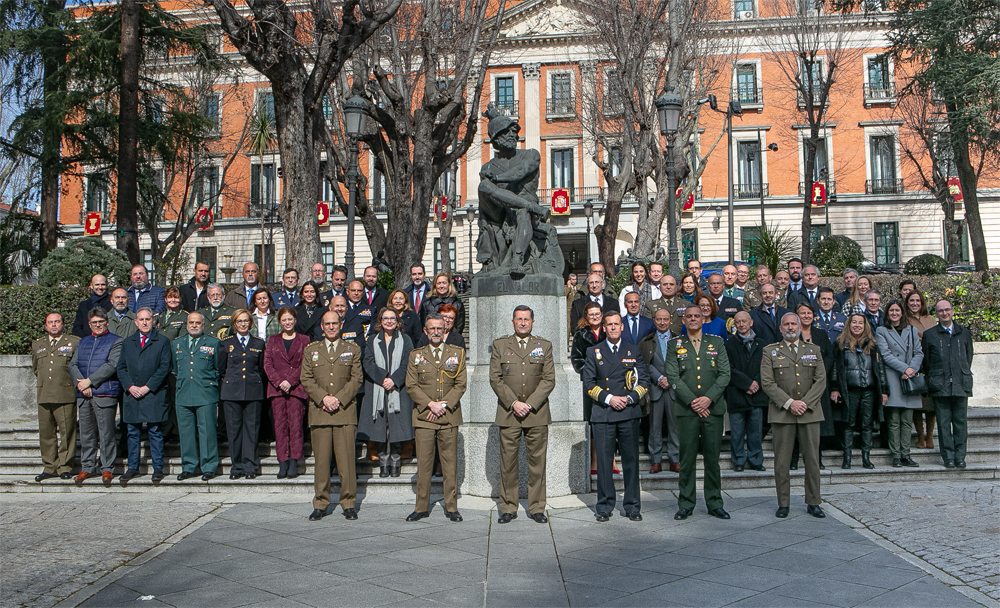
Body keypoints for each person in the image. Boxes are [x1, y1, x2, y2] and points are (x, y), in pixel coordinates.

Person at [489, 305, 555, 524]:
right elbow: (495, 378)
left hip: (536, 413)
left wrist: (530, 404)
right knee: (508, 463)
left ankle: (537, 507)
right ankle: (508, 507)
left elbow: (549, 380)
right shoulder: (500, 345)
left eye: (527, 319)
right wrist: (514, 403)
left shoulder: (544, 346)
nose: (523, 323)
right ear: (513, 322)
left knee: (537, 464)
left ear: (533, 322)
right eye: (519, 319)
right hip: (509, 413)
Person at [582, 311, 649, 522]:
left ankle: (632, 506)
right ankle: (604, 506)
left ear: (622, 327)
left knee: (631, 462)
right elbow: (589, 384)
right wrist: (610, 398)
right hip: (603, 413)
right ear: (604, 327)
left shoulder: (633, 350)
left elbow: (644, 381)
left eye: (616, 324)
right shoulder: (594, 351)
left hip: (628, 413)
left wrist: (628, 399)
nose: (612, 328)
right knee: (603, 463)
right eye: (608, 324)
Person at [665, 305, 731, 521]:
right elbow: (672, 377)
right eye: (689, 317)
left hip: (712, 409)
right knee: (687, 459)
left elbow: (724, 375)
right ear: (683, 321)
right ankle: (685, 503)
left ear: (704, 319)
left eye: (697, 316)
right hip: (687, 410)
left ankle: (715, 503)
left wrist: (708, 399)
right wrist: (694, 401)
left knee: (713, 458)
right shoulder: (674, 344)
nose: (693, 319)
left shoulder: (717, 342)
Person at [760, 313, 828, 519]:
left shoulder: (813, 350)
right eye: (786, 324)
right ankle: (783, 503)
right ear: (780, 328)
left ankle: (814, 502)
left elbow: (821, 381)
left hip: (810, 412)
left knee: (812, 460)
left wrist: (804, 403)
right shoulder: (770, 351)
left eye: (793, 323)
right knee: (781, 462)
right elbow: (767, 383)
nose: (790, 327)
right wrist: (790, 404)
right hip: (783, 414)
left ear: (800, 326)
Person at [405, 314, 467, 523]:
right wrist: (430, 404)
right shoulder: (416, 355)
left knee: (450, 465)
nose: (436, 332)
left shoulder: (457, 353)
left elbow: (460, 384)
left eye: (439, 328)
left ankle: (451, 507)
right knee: (424, 464)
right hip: (424, 417)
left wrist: (442, 405)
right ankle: (421, 507)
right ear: (425, 331)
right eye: (432, 329)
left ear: (445, 330)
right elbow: (411, 385)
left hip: (449, 416)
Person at [117, 307, 173, 482]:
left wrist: (148, 387)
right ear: (135, 322)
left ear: (153, 321)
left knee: (155, 431)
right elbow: (121, 367)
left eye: (147, 319)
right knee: (132, 432)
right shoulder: (127, 342)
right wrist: (130, 387)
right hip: (132, 394)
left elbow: (165, 367)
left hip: (152, 393)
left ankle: (157, 468)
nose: (144, 322)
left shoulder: (162, 341)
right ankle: (133, 467)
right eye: (141, 319)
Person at [358, 308, 414, 478]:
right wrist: (383, 378)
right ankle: (383, 462)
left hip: (399, 389)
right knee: (381, 426)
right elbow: (367, 362)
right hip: (378, 388)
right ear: (380, 321)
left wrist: (395, 380)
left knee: (397, 426)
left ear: (398, 321)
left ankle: (395, 462)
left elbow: (408, 361)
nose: (389, 321)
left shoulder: (405, 340)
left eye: (392, 318)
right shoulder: (372, 340)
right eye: (385, 318)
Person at [69, 308, 122, 483]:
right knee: (86, 433)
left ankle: (107, 468)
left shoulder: (115, 341)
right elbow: (73, 364)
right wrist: (82, 384)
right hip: (84, 395)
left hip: (105, 393)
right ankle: (88, 467)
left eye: (101, 322)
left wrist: (90, 381)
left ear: (106, 322)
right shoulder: (83, 342)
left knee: (106, 433)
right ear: (89, 324)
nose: (97, 325)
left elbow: (112, 365)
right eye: (94, 323)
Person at [830, 314, 889, 470]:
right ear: (849, 325)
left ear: (865, 325)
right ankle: (847, 458)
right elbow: (836, 368)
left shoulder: (873, 345)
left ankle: (866, 458)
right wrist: (835, 387)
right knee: (848, 424)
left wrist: (884, 390)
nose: (857, 325)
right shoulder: (840, 344)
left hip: (869, 391)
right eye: (854, 322)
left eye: (860, 323)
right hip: (849, 390)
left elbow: (880, 369)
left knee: (867, 425)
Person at [922, 300, 974, 469]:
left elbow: (968, 357)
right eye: (940, 311)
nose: (944, 313)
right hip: (940, 384)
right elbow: (927, 362)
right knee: (943, 423)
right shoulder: (930, 335)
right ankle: (948, 457)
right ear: (936, 314)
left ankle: (960, 457)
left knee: (960, 423)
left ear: (952, 312)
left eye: (947, 310)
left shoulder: (964, 333)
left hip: (960, 383)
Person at [171, 312, 221, 481]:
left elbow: (217, 369)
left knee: (207, 431)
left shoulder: (213, 343)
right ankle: (189, 466)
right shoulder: (177, 343)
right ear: (186, 324)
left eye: (197, 323)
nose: (194, 325)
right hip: (184, 392)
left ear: (203, 324)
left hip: (206, 393)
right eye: (191, 322)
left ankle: (209, 466)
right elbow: (176, 369)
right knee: (186, 432)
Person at [31, 312, 81, 481]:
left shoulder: (74, 342)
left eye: (57, 322)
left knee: (67, 432)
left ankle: (65, 466)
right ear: (45, 326)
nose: (53, 325)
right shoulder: (38, 344)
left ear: (63, 324)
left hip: (65, 394)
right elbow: (36, 368)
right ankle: (50, 466)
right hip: (44, 393)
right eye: (50, 322)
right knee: (46, 433)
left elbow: (76, 367)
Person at [218, 310, 266, 479]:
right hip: (232, 392)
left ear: (251, 323)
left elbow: (260, 369)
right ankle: (236, 467)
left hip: (253, 391)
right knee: (234, 431)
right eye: (239, 321)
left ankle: (250, 466)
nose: (243, 324)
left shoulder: (259, 343)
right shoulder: (226, 343)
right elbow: (221, 368)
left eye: (246, 321)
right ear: (234, 324)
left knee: (251, 431)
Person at [264, 307, 311, 479]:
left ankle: (294, 460)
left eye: (290, 319)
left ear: (295, 320)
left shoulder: (304, 339)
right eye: (284, 320)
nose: (287, 322)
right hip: (277, 389)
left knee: (296, 426)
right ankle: (282, 461)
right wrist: (279, 382)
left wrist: (290, 381)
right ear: (280, 322)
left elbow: (306, 363)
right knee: (280, 426)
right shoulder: (273, 340)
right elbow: (267, 364)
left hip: (296, 389)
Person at [876, 301, 923, 468]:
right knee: (894, 420)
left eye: (897, 310)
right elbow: (886, 355)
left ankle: (906, 454)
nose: (894, 313)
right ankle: (895, 455)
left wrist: (911, 369)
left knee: (907, 421)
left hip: (909, 378)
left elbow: (919, 352)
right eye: (891, 310)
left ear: (902, 313)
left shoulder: (912, 330)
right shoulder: (881, 331)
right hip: (893, 377)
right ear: (887, 313)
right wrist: (905, 368)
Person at [792, 302, 835, 470]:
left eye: (809, 313)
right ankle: (794, 458)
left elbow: (830, 356)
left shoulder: (821, 334)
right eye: (802, 313)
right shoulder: (792, 334)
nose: (806, 316)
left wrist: (820, 370)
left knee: (816, 426)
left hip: (818, 386)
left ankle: (817, 459)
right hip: (797, 385)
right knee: (795, 424)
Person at [724, 311, 767, 472]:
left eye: (744, 321)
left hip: (757, 393)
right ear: (734, 324)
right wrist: (747, 384)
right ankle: (739, 460)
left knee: (755, 431)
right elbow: (729, 368)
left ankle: (756, 460)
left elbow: (766, 367)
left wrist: (757, 383)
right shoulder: (728, 344)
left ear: (751, 322)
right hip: (737, 393)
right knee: (737, 431)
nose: (741, 324)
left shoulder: (762, 344)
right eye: (738, 322)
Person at [639, 308, 679, 474]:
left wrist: (670, 378)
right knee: (654, 427)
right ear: (654, 321)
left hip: (674, 388)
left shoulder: (679, 340)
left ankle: (674, 459)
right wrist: (659, 378)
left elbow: (683, 363)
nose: (662, 322)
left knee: (674, 426)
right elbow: (644, 364)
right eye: (659, 319)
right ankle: (655, 460)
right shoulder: (646, 341)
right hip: (655, 388)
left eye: (665, 319)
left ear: (670, 320)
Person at [571, 301, 607, 474]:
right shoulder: (580, 334)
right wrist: (590, 374)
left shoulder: (609, 331)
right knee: (593, 421)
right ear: (586, 316)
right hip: (591, 384)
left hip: (610, 382)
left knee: (611, 420)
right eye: (591, 314)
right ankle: (594, 459)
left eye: (597, 314)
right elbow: (577, 359)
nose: (595, 317)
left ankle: (611, 461)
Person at [905, 290, 937, 449]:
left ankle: (929, 435)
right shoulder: (905, 319)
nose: (915, 303)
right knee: (917, 403)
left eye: (918, 300)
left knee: (931, 404)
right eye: (912, 300)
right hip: (914, 363)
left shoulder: (930, 319)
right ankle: (920, 436)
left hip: (931, 364)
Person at [342, 280, 375, 347]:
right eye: (353, 290)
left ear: (363, 293)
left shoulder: (371, 310)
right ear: (347, 292)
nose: (356, 293)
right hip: (344, 344)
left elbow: (372, 331)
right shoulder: (341, 308)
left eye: (359, 291)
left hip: (362, 344)